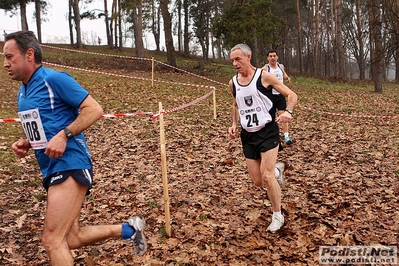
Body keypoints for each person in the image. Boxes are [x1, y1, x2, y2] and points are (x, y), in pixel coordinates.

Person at [3, 31, 147, 265]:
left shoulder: (55, 79)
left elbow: (93, 109)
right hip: (51, 167)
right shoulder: (23, 91)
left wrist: (64, 135)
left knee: (52, 240)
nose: (6, 63)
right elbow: (48, 124)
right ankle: (129, 230)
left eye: (10, 57)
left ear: (29, 54)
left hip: (70, 162)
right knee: (71, 238)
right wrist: (29, 142)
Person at [228, 43, 297, 233]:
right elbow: (235, 104)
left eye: (238, 59)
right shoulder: (233, 82)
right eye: (232, 60)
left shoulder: (264, 76)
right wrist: (234, 124)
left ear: (248, 57)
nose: (235, 63)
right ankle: (277, 171)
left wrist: (288, 112)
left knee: (266, 177)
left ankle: (277, 216)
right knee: (258, 181)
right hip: (248, 135)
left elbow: (291, 94)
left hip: (267, 131)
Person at [262, 50, 293, 145]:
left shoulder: (281, 66)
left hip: (280, 95)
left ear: (277, 57)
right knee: (270, 117)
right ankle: (270, 136)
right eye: (270, 56)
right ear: (268, 58)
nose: (272, 58)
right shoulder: (265, 68)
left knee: (283, 115)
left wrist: (287, 78)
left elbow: (284, 74)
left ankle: (286, 136)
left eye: (274, 56)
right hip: (270, 95)